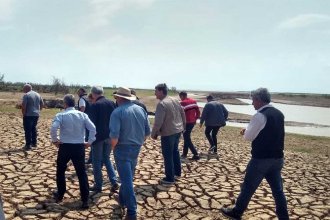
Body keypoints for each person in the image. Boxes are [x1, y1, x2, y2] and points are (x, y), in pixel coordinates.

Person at [220, 88, 289, 220]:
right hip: (278, 158)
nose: (252, 103)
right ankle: (284, 217)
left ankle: (237, 212)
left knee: (248, 187)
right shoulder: (279, 113)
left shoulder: (260, 115)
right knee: (278, 191)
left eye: (253, 100)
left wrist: (244, 132)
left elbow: (249, 137)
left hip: (261, 159)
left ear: (259, 100)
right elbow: (271, 132)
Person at [110, 87, 150, 220]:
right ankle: (122, 199)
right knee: (127, 177)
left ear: (120, 98)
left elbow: (114, 137)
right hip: (136, 147)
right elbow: (147, 133)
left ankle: (132, 212)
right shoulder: (141, 110)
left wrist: (113, 149)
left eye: (116, 97)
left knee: (127, 181)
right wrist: (137, 142)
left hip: (122, 149)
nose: (115, 100)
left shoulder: (117, 112)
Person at [50, 94, 96, 209]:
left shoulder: (61, 115)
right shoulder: (83, 115)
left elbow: (54, 127)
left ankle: (60, 194)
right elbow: (93, 128)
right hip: (79, 147)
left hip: (65, 146)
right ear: (74, 103)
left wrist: (55, 140)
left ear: (65, 104)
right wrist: (90, 142)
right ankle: (85, 200)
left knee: (60, 170)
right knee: (81, 173)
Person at [151, 83, 186, 184]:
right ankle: (177, 173)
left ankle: (169, 178)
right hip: (178, 130)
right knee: (175, 152)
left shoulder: (162, 104)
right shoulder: (175, 100)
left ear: (161, 91)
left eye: (156, 91)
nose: (155, 93)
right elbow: (182, 114)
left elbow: (158, 122)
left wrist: (154, 134)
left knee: (168, 155)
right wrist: (183, 127)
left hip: (168, 133)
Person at [88, 86, 118, 193]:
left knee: (96, 161)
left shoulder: (95, 105)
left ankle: (98, 185)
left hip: (98, 137)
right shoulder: (112, 103)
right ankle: (114, 181)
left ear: (93, 94)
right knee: (107, 158)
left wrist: (89, 139)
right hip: (110, 136)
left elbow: (91, 124)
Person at [21, 84, 44, 150]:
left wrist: (23, 113)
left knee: (28, 130)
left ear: (26, 89)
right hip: (36, 114)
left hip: (28, 115)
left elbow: (23, 106)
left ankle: (28, 145)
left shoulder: (26, 95)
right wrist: (38, 111)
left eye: (23, 89)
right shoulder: (38, 94)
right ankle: (34, 143)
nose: (23, 90)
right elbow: (42, 104)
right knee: (33, 128)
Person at [179, 91, 200, 160]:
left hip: (186, 123)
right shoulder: (193, 101)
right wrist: (196, 118)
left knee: (187, 138)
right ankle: (184, 154)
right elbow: (198, 111)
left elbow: (180, 114)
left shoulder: (183, 103)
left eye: (180, 97)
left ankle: (195, 154)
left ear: (182, 96)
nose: (180, 98)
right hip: (192, 122)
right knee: (186, 137)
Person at [77, 88, 92, 164]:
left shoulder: (82, 99)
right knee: (91, 138)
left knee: (83, 138)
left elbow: (82, 108)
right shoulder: (89, 98)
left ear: (82, 92)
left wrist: (79, 117)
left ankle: (81, 157)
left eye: (78, 91)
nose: (77, 93)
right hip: (91, 119)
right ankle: (91, 157)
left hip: (85, 120)